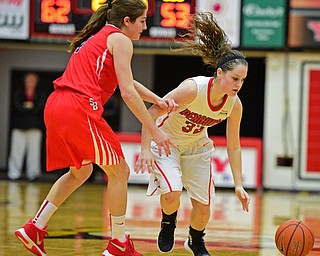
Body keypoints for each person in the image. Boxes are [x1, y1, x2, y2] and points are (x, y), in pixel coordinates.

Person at [15, 1, 178, 256]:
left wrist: (156, 99)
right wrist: (153, 128)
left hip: (57, 104)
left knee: (80, 172)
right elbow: (126, 91)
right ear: (127, 21)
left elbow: (126, 79)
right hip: (79, 107)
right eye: (142, 21)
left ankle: (35, 227)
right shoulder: (121, 40)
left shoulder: (99, 37)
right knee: (120, 171)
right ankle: (119, 243)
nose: (145, 27)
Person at [134, 12, 251, 256]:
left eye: (242, 80)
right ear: (220, 73)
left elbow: (234, 146)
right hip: (167, 144)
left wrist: (239, 185)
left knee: (204, 208)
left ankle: (195, 240)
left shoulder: (234, 104)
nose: (239, 84)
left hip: (197, 149)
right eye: (235, 78)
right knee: (173, 192)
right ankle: (168, 224)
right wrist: (145, 147)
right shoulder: (192, 89)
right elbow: (152, 112)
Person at [8, 71, 46, 181]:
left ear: (36, 82)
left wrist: (29, 107)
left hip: (35, 126)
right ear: (25, 81)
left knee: (34, 152)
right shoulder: (19, 93)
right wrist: (30, 107)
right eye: (29, 80)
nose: (30, 82)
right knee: (16, 151)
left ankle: (33, 174)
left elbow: (40, 107)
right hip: (19, 126)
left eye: (33, 80)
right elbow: (17, 107)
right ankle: (13, 174)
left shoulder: (40, 94)